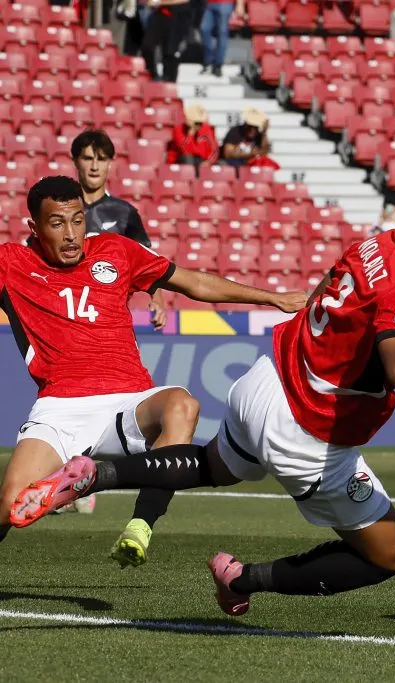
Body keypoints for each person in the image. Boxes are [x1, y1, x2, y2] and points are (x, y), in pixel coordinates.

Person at [11, 173, 395, 618]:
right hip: (308, 426)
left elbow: (341, 308)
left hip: (265, 381)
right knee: (387, 554)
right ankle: (243, 579)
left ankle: (97, 474)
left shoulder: (377, 244)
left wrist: (389, 367)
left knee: (212, 467)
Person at [0, 176, 307, 568]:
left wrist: (273, 298)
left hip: (129, 403)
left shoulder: (116, 250)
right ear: (34, 227)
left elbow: (194, 283)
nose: (71, 234)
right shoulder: (11, 262)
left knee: (181, 404)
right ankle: (69, 481)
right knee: (10, 505)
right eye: (57, 224)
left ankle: (140, 526)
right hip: (60, 408)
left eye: (77, 220)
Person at [73, 130, 169, 331]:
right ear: (76, 161)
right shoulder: (61, 209)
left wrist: (157, 298)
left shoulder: (125, 213)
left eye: (101, 159)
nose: (94, 166)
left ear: (110, 163)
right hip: (67, 316)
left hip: (112, 319)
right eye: (88, 158)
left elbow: (148, 261)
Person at [141, 0, 192, 83]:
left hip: (179, 13)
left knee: (171, 50)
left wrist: (160, 2)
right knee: (147, 45)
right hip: (160, 12)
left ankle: (169, 80)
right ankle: (152, 75)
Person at [200, 0, 244, 78]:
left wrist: (240, 4)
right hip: (210, 3)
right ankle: (209, 60)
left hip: (225, 3)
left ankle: (218, 64)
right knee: (204, 29)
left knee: (222, 33)